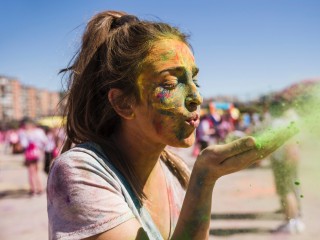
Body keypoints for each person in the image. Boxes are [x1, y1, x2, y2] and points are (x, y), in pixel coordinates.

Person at [47, 10, 295, 240]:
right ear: (123, 103)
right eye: (169, 84)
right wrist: (203, 180)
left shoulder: (175, 170)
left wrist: (203, 177)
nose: (196, 97)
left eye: (194, 80)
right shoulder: (80, 172)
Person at [268, 101, 305, 234]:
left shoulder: (278, 122)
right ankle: (296, 221)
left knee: (285, 190)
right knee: (292, 188)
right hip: (292, 158)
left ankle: (290, 222)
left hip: (283, 159)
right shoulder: (295, 118)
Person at [19, 118, 46, 195]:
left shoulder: (23, 133)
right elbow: (45, 141)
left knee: (31, 172)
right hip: (38, 153)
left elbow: (23, 144)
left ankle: (33, 189)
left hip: (29, 154)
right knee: (37, 171)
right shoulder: (39, 132)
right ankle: (40, 188)